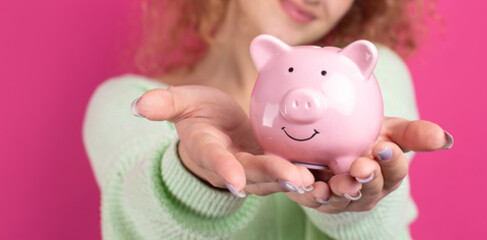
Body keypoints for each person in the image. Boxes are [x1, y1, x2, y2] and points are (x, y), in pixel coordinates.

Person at [82, 0, 451, 239]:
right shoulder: (126, 102)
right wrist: (193, 177)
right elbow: (135, 214)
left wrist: (354, 207)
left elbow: (380, 221)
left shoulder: (370, 78)